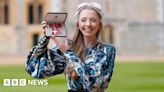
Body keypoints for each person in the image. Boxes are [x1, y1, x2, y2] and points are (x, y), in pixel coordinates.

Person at [25, 2, 116, 92]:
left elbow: (94, 85)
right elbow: (33, 69)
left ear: (99, 25)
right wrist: (46, 38)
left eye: (93, 20)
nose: (88, 24)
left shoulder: (108, 50)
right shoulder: (70, 47)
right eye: (83, 20)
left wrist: (68, 53)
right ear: (78, 24)